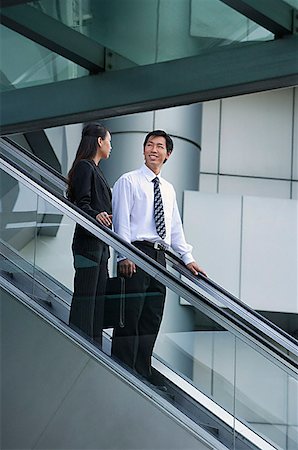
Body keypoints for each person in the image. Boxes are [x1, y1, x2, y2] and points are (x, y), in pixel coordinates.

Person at [111, 129, 206, 385]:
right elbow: (121, 221)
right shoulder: (128, 181)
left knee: (152, 316)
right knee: (129, 314)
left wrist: (188, 258)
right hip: (136, 254)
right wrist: (123, 255)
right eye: (149, 145)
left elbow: (175, 228)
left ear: (168, 154)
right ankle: (122, 366)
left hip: (159, 258)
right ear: (143, 150)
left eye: (160, 147)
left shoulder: (168, 189)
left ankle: (142, 369)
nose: (154, 150)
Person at [67, 122, 112, 347]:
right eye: (109, 141)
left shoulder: (96, 170)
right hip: (88, 244)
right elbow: (80, 205)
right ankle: (80, 345)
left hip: (100, 245)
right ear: (99, 141)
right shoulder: (85, 167)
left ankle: (93, 348)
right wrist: (97, 216)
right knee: (86, 299)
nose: (110, 146)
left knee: (97, 302)